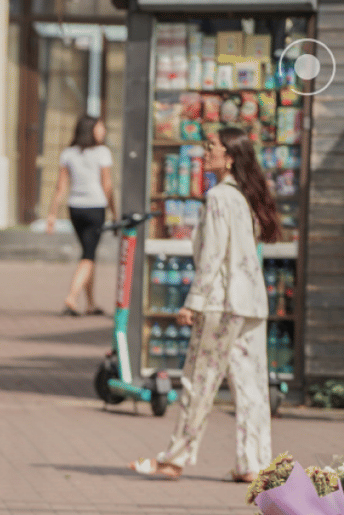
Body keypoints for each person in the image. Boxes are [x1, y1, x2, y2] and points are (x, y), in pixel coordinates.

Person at [129, 127, 277, 483]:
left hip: (221, 303)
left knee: (200, 379)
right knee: (251, 387)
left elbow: (212, 257)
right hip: (251, 303)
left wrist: (192, 302)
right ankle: (254, 463)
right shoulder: (245, 199)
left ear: (229, 157)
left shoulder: (218, 198)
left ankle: (173, 459)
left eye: (211, 147)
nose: (205, 152)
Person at [46, 115, 116, 316]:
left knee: (88, 252)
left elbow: (60, 187)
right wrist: (114, 212)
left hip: (75, 208)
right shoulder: (102, 153)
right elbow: (107, 185)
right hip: (95, 207)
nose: (103, 131)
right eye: (100, 127)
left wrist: (52, 215)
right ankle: (71, 298)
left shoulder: (68, 153)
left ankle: (91, 303)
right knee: (88, 255)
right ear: (90, 130)